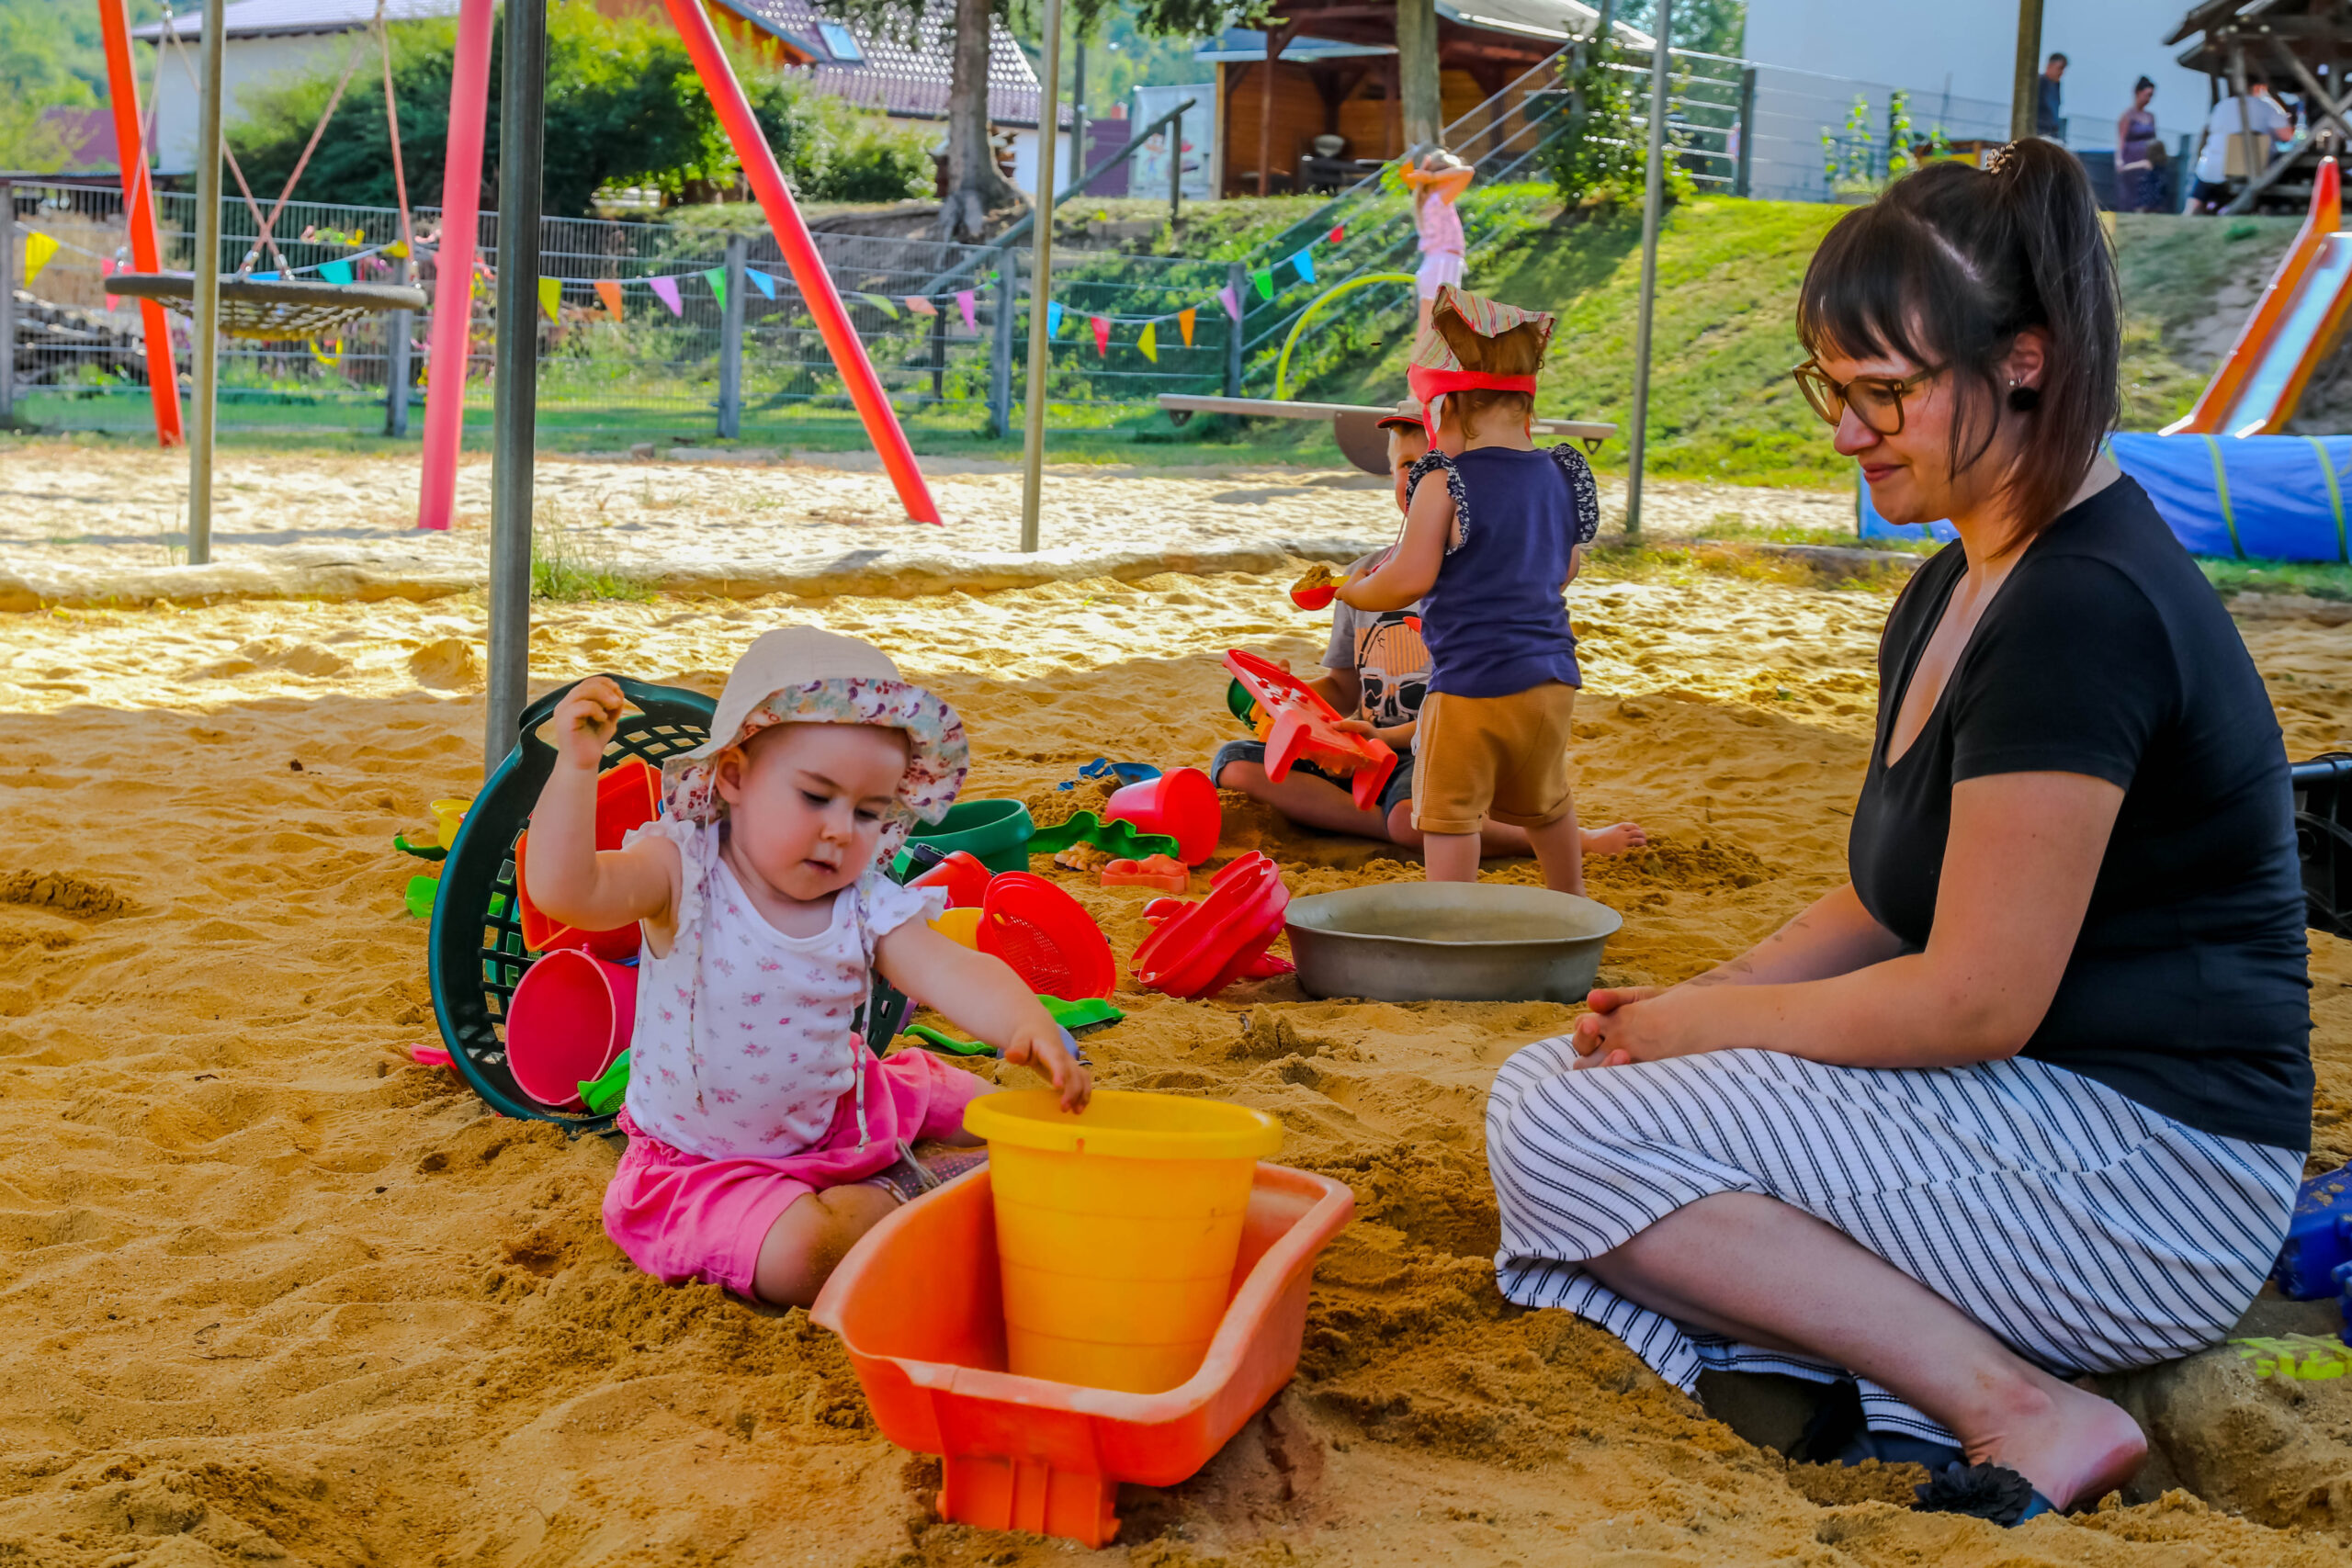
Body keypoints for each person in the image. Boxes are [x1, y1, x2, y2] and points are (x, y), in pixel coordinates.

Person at [1484, 140, 2310, 1526]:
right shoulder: (1959, 581)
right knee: (1579, 1139)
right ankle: (1851, 1396)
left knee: (1558, 1133)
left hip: (2154, 1174)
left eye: (1885, 393)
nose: (1849, 431)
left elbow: (1975, 995)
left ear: (2027, 362)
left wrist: (1712, 1029)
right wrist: (1699, 1001)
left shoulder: (2080, 607)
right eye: (1836, 389)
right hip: (2033, 1124)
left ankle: (2012, 1407)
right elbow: (1884, 902)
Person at [526, 627, 1091, 1309]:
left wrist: (1025, 1019)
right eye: (816, 796)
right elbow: (565, 890)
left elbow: (951, 968)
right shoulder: (683, 870)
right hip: (703, 1165)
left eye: (869, 811)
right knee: (803, 1256)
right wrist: (576, 768)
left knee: (1001, 1112)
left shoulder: (862, 902)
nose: (840, 830)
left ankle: (931, 1153)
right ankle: (913, 1187)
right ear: (733, 776)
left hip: (836, 1113)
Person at [1215, 397, 1645, 862]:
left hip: (1434, 749)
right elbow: (1343, 687)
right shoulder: (1364, 577)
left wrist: (1388, 739)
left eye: (1429, 464)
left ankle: (1553, 840)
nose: (1415, 476)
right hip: (1361, 748)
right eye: (1404, 464)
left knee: (1415, 811)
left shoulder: (1473, 581)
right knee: (1233, 765)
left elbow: (1471, 701)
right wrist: (1288, 698)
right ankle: (1386, 823)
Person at [1338, 289, 1603, 894]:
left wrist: (1356, 592)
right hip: (1551, 678)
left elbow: (1411, 576)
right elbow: (1567, 567)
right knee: (1548, 802)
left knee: (1450, 814)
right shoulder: (1560, 472)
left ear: (1449, 408)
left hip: (1469, 685)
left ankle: (1449, 914)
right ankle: (1571, 899)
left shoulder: (1445, 479)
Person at [2191, 72, 2295, 212]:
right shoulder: (2265, 108)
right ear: (2259, 87)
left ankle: (2190, 211)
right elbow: (2288, 136)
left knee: (2199, 191)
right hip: (2247, 169)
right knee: (2281, 163)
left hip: (2211, 168)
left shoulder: (2221, 105)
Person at [1403, 150, 1474, 347]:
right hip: (1443, 263)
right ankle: (1441, 373)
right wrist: (1433, 176)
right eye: (1449, 175)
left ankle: (1418, 376)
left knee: (1427, 328)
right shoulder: (1437, 200)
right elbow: (1468, 172)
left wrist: (1431, 176)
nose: (1452, 181)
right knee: (1443, 327)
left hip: (1436, 263)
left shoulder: (1430, 201)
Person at [2115, 77, 2163, 212]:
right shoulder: (2127, 116)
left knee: (2146, 198)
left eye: (2151, 96)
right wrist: (2119, 160)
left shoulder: (2151, 117)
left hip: (2147, 163)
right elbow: (2121, 140)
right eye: (2147, 95)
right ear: (2138, 93)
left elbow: (2154, 140)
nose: (2149, 99)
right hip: (2131, 162)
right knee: (2130, 197)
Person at [2036, 53, 2067, 139]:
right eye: (2060, 68)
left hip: (2052, 134)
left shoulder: (2056, 85)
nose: (2062, 72)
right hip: (2040, 133)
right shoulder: (2041, 81)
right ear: (2049, 66)